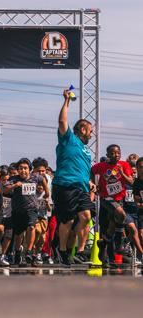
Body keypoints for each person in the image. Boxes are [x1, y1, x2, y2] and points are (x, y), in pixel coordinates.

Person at [52, 88, 96, 268]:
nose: (91, 135)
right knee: (68, 220)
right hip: (65, 185)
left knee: (86, 217)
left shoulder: (86, 149)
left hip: (82, 187)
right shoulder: (68, 138)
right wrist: (66, 101)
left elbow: (83, 168)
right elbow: (62, 120)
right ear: (83, 129)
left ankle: (79, 251)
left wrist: (90, 181)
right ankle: (62, 252)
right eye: (90, 132)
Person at [91, 144, 133, 263]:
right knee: (122, 215)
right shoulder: (101, 166)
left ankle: (103, 244)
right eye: (113, 153)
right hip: (106, 197)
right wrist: (93, 184)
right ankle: (119, 243)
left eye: (118, 153)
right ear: (108, 154)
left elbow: (131, 182)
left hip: (119, 199)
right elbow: (92, 171)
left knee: (113, 228)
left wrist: (122, 173)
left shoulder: (124, 165)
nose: (116, 155)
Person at [4, 158, 49, 267]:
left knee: (31, 227)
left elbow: (42, 178)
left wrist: (47, 192)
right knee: (18, 236)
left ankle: (29, 251)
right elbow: (5, 191)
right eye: (21, 168)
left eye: (25, 168)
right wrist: (15, 186)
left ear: (30, 169)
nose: (23, 170)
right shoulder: (13, 179)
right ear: (18, 169)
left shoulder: (34, 177)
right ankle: (18, 252)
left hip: (31, 208)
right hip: (18, 210)